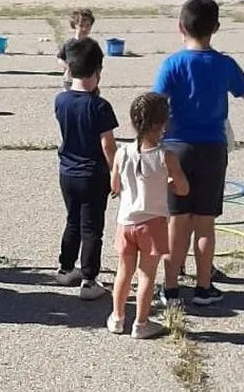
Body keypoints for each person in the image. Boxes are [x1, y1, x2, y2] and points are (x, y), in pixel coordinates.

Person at [152, 0, 244, 307]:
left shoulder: (171, 64)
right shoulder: (224, 64)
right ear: (216, 28)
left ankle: (170, 288)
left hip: (176, 151)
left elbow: (156, 102)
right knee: (204, 222)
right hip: (213, 149)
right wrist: (243, 85)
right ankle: (203, 287)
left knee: (177, 220)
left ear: (179, 28)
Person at [107, 93, 189, 339]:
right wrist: (171, 180)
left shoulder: (122, 152)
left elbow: (114, 185)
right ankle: (141, 323)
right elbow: (183, 189)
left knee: (124, 271)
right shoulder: (167, 156)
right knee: (146, 274)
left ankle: (117, 317)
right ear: (161, 124)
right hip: (152, 223)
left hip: (126, 222)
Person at [54, 38, 118, 300]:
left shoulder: (61, 100)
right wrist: (116, 173)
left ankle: (66, 267)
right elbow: (108, 145)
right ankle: (90, 279)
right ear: (98, 71)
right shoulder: (100, 106)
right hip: (93, 174)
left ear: (69, 69)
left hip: (67, 172)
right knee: (92, 227)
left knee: (73, 220)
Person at [56, 9, 96, 91]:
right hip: (71, 80)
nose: (85, 29)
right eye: (81, 26)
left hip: (87, 80)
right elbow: (60, 59)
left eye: (88, 25)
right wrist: (68, 67)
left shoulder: (92, 45)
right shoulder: (69, 44)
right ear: (74, 26)